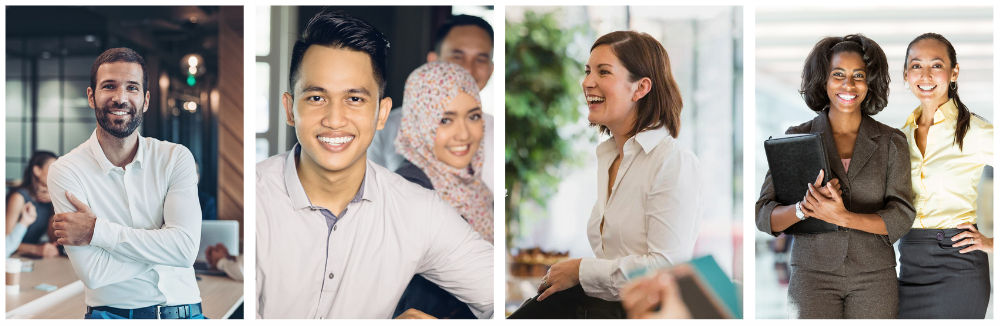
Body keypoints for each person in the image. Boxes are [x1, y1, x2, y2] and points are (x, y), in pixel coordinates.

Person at [255, 11, 493, 319]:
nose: (335, 120)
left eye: (354, 99)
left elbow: (498, 293)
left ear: (381, 114)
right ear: (290, 109)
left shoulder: (418, 211)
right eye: (316, 98)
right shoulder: (256, 198)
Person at [531, 31, 702, 318]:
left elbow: (665, 266)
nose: (587, 82)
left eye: (603, 72)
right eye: (588, 71)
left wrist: (581, 270)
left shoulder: (672, 161)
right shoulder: (610, 157)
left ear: (641, 88)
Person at [755, 34, 915, 319]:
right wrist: (803, 210)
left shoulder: (892, 141)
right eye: (838, 74)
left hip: (874, 277)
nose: (848, 85)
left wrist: (842, 217)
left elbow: (902, 216)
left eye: (859, 75)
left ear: (870, 82)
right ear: (823, 80)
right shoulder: (796, 138)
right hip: (812, 276)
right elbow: (764, 216)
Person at [47, 47, 205, 319]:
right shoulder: (66, 171)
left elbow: (184, 250)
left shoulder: (176, 158)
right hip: (112, 316)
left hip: (186, 314)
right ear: (91, 96)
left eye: (132, 88)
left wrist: (97, 231)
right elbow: (95, 274)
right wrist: (165, 246)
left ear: (145, 100)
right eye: (109, 86)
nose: (120, 98)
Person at [896, 33, 992, 319]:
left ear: (954, 72)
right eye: (916, 66)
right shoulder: (900, 137)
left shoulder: (976, 132)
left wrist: (992, 242)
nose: (925, 74)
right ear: (906, 74)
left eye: (936, 65)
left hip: (958, 265)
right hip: (909, 261)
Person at [391, 61, 492, 319]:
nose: (464, 134)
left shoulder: (473, 187)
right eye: (445, 119)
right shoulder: (409, 193)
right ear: (418, 121)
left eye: (473, 116)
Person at [368, 14, 495, 192]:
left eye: (480, 59)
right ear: (433, 61)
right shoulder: (384, 128)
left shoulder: (498, 132)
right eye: (458, 57)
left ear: (491, 69)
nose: (468, 69)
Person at [5, 151, 59, 258]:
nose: (57, 173)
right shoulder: (19, 197)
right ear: (37, 170)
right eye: (53, 168)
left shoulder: (51, 198)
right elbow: (5, 241)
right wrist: (36, 249)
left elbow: (53, 238)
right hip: (12, 257)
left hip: (32, 258)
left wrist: (56, 200)